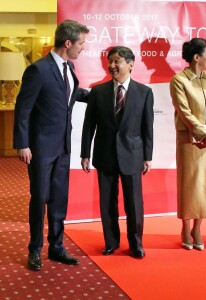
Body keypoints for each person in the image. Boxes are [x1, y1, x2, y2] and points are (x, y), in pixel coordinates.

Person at [13, 19, 90, 271]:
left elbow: (70, 94)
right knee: (40, 198)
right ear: (68, 43)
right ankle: (35, 249)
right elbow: (22, 109)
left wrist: (102, 95)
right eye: (81, 43)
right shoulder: (38, 69)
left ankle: (56, 247)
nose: (83, 48)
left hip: (64, 147)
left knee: (59, 199)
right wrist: (23, 144)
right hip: (40, 148)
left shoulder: (69, 68)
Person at [81, 46, 154, 259]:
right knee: (107, 203)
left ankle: (136, 244)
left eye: (117, 61)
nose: (112, 65)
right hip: (105, 155)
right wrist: (85, 153)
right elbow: (89, 126)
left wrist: (148, 156)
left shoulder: (144, 92)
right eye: (110, 61)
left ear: (131, 64)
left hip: (132, 155)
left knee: (134, 203)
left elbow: (147, 127)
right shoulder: (98, 91)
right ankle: (111, 242)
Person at [169, 38, 206, 251]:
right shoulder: (179, 80)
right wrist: (203, 133)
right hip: (189, 141)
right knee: (190, 184)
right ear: (196, 57)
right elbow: (184, 111)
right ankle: (185, 226)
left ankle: (198, 227)